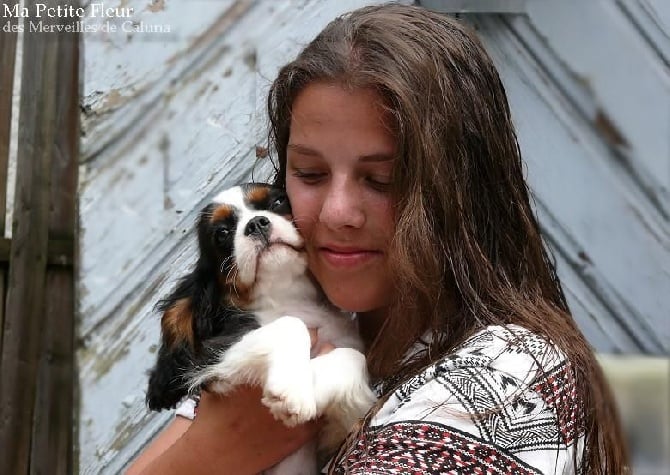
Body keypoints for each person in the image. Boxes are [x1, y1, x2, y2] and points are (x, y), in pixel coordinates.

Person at [127, 4, 629, 474]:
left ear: (461, 189)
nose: (338, 213)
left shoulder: (504, 376)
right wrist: (213, 450)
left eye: (382, 180)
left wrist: (212, 451)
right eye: (309, 173)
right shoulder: (280, 331)